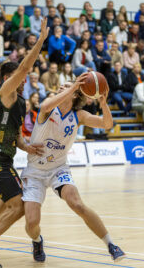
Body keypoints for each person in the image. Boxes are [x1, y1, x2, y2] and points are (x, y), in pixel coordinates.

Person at [17, 76, 126, 262]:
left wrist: (103, 103)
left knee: (77, 203)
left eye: (67, 86)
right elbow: (43, 107)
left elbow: (107, 124)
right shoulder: (49, 108)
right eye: (61, 86)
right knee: (32, 223)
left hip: (58, 168)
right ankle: (37, 240)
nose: (62, 87)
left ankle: (111, 245)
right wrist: (74, 85)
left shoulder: (79, 115)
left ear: (76, 94)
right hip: (35, 171)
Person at [0, 19, 48, 267]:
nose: (24, 78)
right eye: (19, 76)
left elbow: (15, 135)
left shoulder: (22, 103)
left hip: (4, 157)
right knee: (19, 206)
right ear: (7, 78)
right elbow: (25, 68)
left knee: (12, 196)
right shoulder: (5, 91)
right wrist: (40, 43)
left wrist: (26, 146)